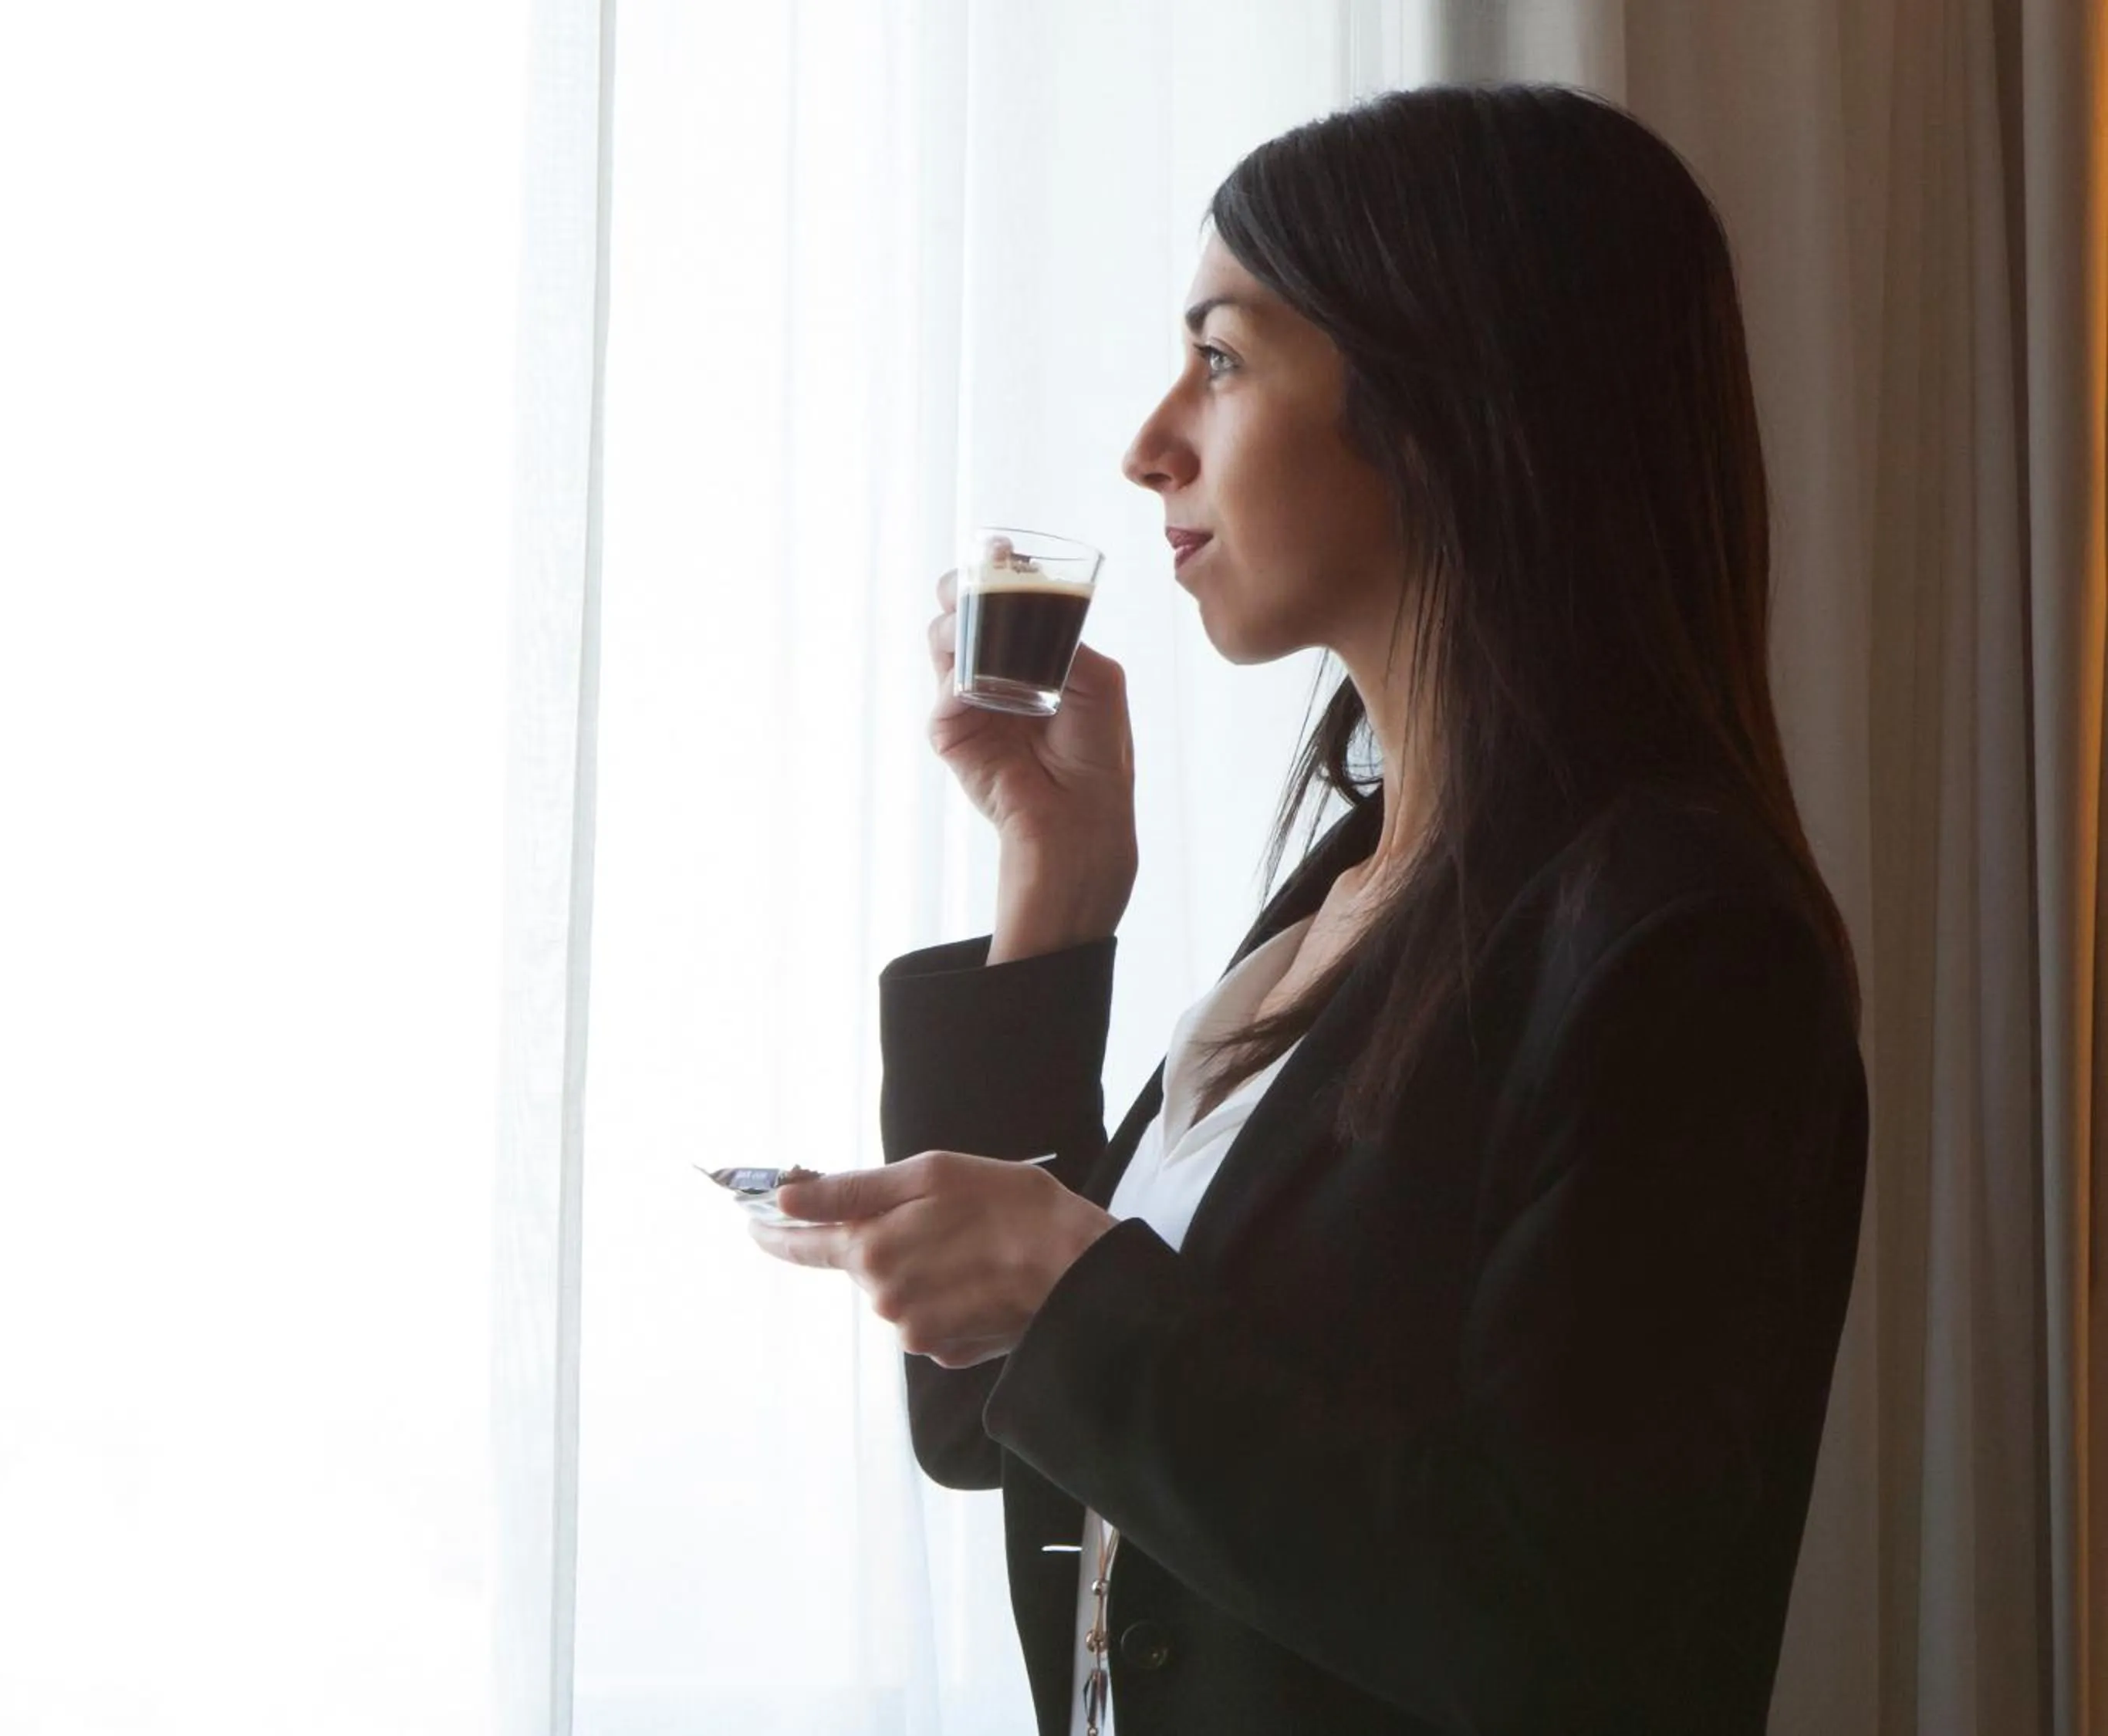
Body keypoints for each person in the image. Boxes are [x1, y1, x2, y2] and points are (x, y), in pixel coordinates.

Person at [748, 80, 1868, 1736]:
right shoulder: (1348, 896)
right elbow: (994, 1420)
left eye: (1220, 356)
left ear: (1454, 396)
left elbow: (1576, 1637)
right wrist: (1056, 900)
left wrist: (1078, 1288)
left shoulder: (1682, 946)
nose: (1150, 445)